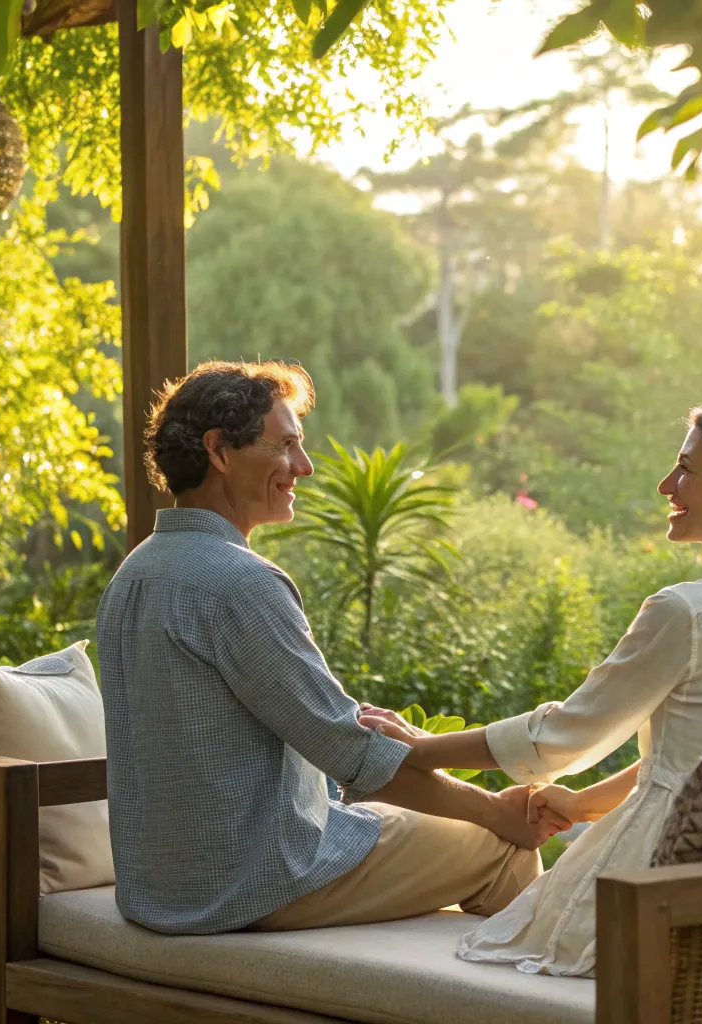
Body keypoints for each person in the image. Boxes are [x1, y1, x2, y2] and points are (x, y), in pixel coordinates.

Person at [363, 400, 702, 977]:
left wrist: (420, 747)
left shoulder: (689, 613)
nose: (667, 484)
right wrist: (582, 803)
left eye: (687, 469)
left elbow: (561, 737)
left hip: (651, 887)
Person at [96, 360, 567, 937]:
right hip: (254, 882)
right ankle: (549, 1007)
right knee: (497, 847)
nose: (304, 466)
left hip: (161, 884)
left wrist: (417, 751)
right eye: (286, 445)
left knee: (417, 824)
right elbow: (352, 755)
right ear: (219, 451)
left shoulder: (135, 574)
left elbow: (334, 743)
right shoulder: (239, 584)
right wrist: (497, 812)